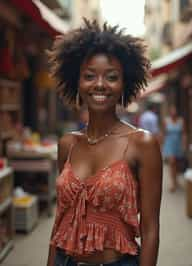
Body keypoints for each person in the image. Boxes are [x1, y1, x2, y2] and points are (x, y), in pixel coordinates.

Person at [47, 19, 162, 266]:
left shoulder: (142, 144)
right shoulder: (67, 144)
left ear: (124, 84)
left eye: (111, 77)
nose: (100, 84)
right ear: (77, 82)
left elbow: (151, 229)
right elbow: (61, 220)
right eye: (89, 76)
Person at [162, 105, 187, 192]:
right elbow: (164, 133)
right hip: (169, 144)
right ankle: (173, 183)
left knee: (177, 164)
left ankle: (176, 180)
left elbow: (184, 133)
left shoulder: (181, 121)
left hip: (178, 144)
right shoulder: (166, 120)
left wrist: (184, 145)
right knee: (172, 163)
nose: (173, 112)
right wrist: (162, 146)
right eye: (172, 111)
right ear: (170, 112)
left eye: (175, 111)